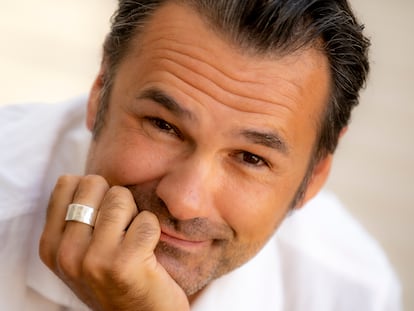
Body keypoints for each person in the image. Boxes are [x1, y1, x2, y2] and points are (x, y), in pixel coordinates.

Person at [0, 0, 402, 310]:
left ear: (314, 176)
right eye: (164, 126)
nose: (185, 200)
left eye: (251, 158)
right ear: (99, 92)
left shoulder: (352, 291)